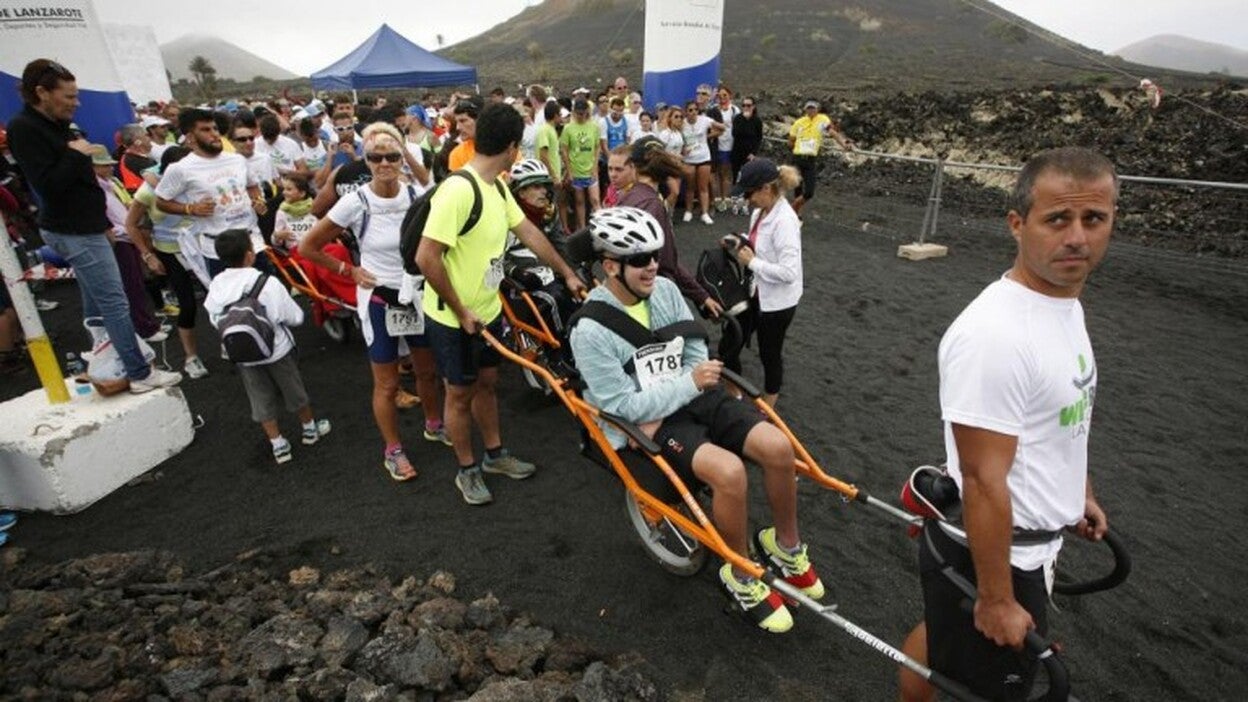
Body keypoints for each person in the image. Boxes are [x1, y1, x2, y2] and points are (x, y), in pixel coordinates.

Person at [898, 147, 1116, 702]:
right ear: (1017, 225)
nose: (1077, 237)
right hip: (995, 555)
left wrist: (1078, 492)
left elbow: (1066, 417)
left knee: (941, 648)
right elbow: (983, 479)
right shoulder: (995, 336)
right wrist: (995, 598)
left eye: (1094, 219)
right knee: (986, 685)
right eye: (1057, 219)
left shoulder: (1065, 301)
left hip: (1031, 545)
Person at [568, 206, 823, 634]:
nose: (652, 265)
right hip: (652, 418)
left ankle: (785, 547)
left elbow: (692, 348)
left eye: (654, 255)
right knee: (730, 473)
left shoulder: (665, 291)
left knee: (778, 446)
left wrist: (694, 379)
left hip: (691, 395)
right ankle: (740, 575)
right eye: (640, 260)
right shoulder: (590, 331)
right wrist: (688, 383)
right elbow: (621, 406)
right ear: (610, 266)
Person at [415, 103, 587, 506]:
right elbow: (427, 258)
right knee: (459, 393)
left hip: (487, 312)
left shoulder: (497, 188)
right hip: (453, 318)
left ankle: (494, 456)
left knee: (487, 384)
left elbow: (528, 231)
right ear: (512, 147)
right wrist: (461, 311)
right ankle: (467, 470)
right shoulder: (460, 189)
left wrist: (567, 273)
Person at [7, 58, 181, 393]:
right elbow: (47, 184)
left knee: (96, 300)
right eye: (69, 97)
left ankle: (104, 353)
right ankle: (139, 373)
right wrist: (76, 154)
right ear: (42, 93)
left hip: (88, 226)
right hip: (73, 231)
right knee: (115, 302)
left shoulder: (55, 125)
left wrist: (102, 222)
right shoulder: (24, 129)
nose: (77, 103)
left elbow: (81, 185)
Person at [299, 122, 448, 482]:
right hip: (380, 299)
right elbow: (308, 247)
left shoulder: (415, 196)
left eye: (392, 156)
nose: (385, 163)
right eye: (376, 157)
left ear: (402, 158)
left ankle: (434, 424)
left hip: (414, 296)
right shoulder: (356, 201)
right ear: (366, 161)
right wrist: (348, 270)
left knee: (427, 371)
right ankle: (393, 450)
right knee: (387, 384)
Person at [204, 230, 331, 464]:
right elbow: (295, 317)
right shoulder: (266, 282)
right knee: (294, 390)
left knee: (259, 397)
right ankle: (310, 429)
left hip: (243, 355)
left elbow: (214, 318)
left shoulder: (216, 286)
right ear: (250, 255)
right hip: (277, 350)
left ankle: (278, 445)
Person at [720, 159, 803, 407]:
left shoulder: (785, 221)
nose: (747, 199)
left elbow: (790, 272)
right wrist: (738, 239)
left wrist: (753, 262)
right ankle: (734, 395)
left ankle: (768, 410)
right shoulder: (760, 212)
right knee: (730, 340)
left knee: (770, 354)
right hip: (757, 291)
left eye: (748, 193)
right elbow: (758, 243)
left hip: (778, 302)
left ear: (766, 188)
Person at [618, 137, 723, 319]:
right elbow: (668, 264)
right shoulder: (654, 205)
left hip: (625, 291)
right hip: (651, 294)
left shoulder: (626, 198)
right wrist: (702, 296)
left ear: (633, 166)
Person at [127, 146, 209, 379]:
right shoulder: (149, 191)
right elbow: (131, 224)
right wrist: (147, 255)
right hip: (171, 252)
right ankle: (191, 357)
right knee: (188, 303)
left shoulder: (196, 181)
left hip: (202, 246)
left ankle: (229, 341)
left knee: (218, 297)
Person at [155, 107, 265, 279]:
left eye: (214, 128)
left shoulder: (237, 159)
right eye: (206, 130)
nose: (214, 134)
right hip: (218, 250)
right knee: (231, 303)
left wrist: (258, 200)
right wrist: (190, 209)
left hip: (253, 242)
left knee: (266, 296)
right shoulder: (180, 169)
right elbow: (161, 201)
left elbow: (252, 186)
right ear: (190, 137)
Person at [787, 100, 853, 216]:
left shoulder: (822, 119)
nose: (811, 110)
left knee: (809, 192)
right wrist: (796, 149)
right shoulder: (799, 122)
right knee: (798, 187)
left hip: (810, 159)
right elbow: (791, 141)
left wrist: (843, 143)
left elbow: (832, 132)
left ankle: (792, 208)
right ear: (805, 110)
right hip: (798, 158)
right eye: (809, 108)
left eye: (813, 108)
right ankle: (797, 216)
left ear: (817, 109)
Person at [679, 101, 724, 225]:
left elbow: (722, 128)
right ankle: (688, 211)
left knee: (703, 187)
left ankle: (705, 213)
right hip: (689, 159)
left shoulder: (704, 120)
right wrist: (683, 149)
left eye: (695, 110)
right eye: (690, 110)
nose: (693, 113)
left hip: (704, 157)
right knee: (690, 187)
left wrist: (708, 137)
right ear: (686, 112)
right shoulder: (682, 124)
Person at [559, 98, 601, 231]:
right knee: (579, 201)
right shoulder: (568, 128)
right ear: (574, 112)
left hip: (590, 170)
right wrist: (570, 171)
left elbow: (597, 147)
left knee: (595, 200)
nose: (581, 116)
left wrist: (595, 167)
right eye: (578, 113)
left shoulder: (594, 127)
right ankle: (582, 228)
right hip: (576, 170)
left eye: (583, 113)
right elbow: (564, 150)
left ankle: (600, 226)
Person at [705, 84, 740, 213]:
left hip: (729, 145)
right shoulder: (713, 110)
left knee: (725, 173)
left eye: (725, 95)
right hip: (715, 145)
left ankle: (725, 199)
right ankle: (716, 200)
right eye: (720, 96)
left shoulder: (735, 110)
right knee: (714, 174)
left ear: (729, 96)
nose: (722, 98)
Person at [730, 97, 764, 214]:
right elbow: (735, 133)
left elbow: (759, 138)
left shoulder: (757, 121)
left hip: (749, 154)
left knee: (748, 178)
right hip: (737, 152)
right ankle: (735, 203)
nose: (746, 108)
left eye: (748, 105)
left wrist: (754, 153)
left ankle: (744, 203)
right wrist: (744, 120)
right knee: (736, 177)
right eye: (744, 105)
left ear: (753, 107)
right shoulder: (738, 119)